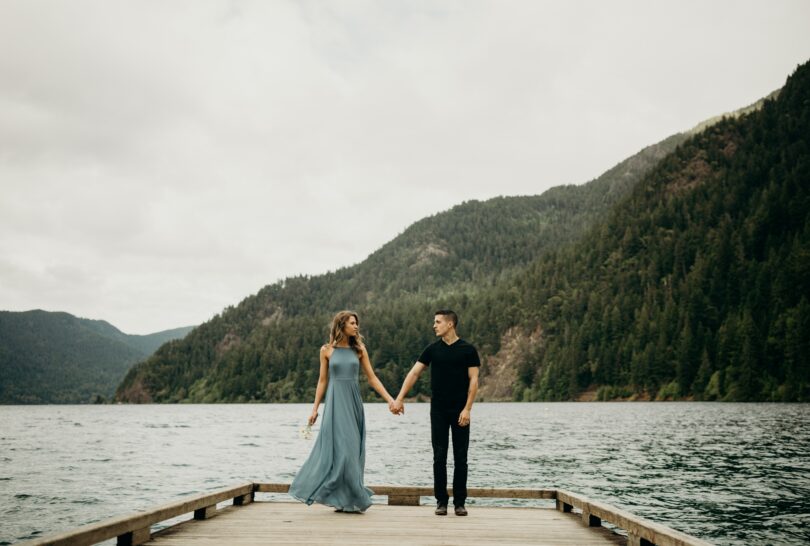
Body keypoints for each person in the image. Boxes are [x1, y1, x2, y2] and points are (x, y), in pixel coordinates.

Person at [289, 310, 397, 513]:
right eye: (352, 323)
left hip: (353, 403)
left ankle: (349, 499)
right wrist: (314, 409)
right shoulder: (326, 350)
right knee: (339, 453)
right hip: (335, 404)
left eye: (357, 323)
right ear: (342, 326)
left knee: (352, 452)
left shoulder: (360, 350)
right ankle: (341, 496)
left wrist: (390, 400)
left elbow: (372, 378)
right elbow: (322, 381)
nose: (356, 326)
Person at [391, 310, 480, 516]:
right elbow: (414, 372)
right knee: (439, 456)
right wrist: (400, 397)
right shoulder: (432, 350)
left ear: (450, 324)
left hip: (460, 411)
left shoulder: (468, 350)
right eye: (434, 322)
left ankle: (459, 502)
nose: (434, 325)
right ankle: (441, 501)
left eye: (438, 322)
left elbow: (474, 381)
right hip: (438, 410)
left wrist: (467, 409)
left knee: (461, 457)